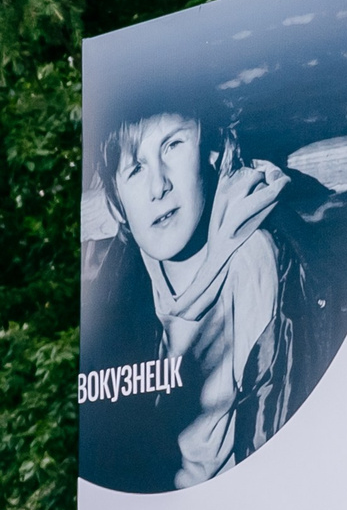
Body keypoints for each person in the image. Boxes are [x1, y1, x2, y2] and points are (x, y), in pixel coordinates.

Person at [90, 101, 310, 489]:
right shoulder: (128, 275)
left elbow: (269, 425)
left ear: (212, 151)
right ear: (117, 205)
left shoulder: (250, 257)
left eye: (173, 146)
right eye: (136, 169)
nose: (159, 186)